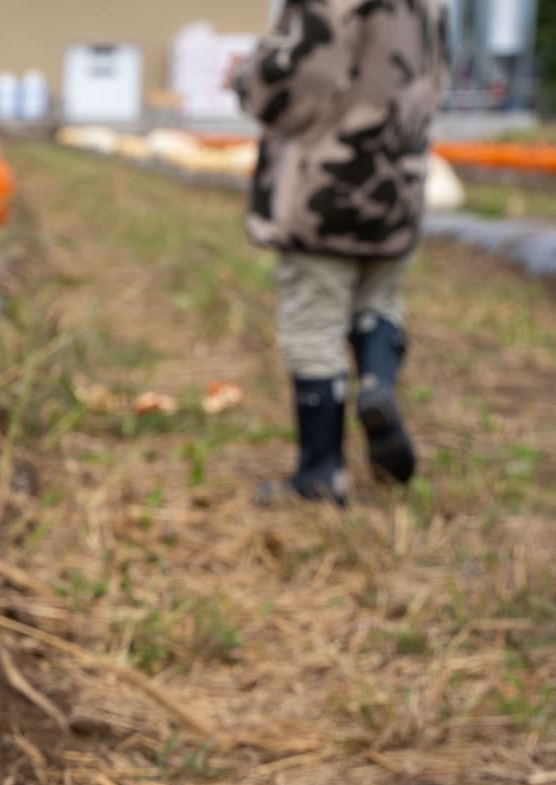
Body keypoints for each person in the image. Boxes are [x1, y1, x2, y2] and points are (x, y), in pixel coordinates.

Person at [229, 0, 449, 505]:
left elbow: (305, 74)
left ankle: (321, 471)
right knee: (380, 298)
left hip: (328, 179)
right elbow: (436, 76)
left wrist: (247, 76)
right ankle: (376, 380)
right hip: (399, 178)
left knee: (313, 321)